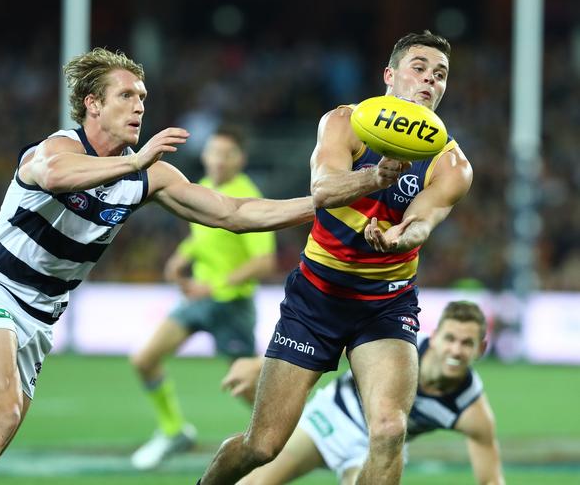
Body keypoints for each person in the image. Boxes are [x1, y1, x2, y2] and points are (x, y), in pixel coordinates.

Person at [0, 48, 315, 485]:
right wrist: (134, 160)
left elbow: (236, 213)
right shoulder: (60, 147)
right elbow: (53, 174)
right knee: (1, 415)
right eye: (126, 95)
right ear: (93, 103)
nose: (139, 106)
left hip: (38, 321)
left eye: (143, 97)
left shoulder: (147, 178)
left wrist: (322, 203)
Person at [199, 30, 473, 485]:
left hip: (385, 305)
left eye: (440, 75)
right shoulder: (342, 123)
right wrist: (377, 178)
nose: (429, 81)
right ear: (390, 75)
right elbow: (323, 190)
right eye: (419, 68)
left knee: (389, 429)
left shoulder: (451, 164)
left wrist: (403, 238)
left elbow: (424, 221)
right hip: (316, 299)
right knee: (261, 446)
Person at [223, 301, 505, 485]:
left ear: (480, 349)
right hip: (331, 420)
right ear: (435, 336)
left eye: (467, 343)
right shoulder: (400, 351)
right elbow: (329, 341)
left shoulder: (471, 409)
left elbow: (491, 481)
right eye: (450, 339)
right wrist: (260, 364)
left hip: (376, 448)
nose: (456, 350)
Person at [129, 125, 277, 470]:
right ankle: (173, 431)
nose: (218, 160)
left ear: (240, 159)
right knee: (145, 360)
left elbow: (264, 262)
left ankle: (294, 435)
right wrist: (181, 257)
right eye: (213, 152)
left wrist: (215, 285)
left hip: (232, 307)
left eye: (226, 154)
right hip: (199, 299)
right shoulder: (203, 189)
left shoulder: (248, 197)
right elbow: (202, 238)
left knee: (244, 386)